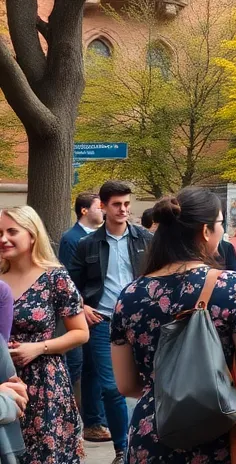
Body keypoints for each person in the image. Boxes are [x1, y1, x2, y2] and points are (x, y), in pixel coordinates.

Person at [110, 190, 236, 463]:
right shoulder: (228, 286)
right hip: (217, 429)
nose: (223, 231)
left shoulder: (129, 295)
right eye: (220, 224)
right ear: (206, 231)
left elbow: (126, 385)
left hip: (153, 431)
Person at [68, 180, 151, 463]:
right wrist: (83, 306)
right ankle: (122, 449)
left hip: (142, 320)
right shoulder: (87, 244)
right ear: (103, 206)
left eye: (127, 204)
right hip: (103, 321)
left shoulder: (144, 239)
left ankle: (146, 445)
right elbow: (72, 285)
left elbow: (160, 274)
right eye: (117, 204)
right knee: (111, 387)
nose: (123, 209)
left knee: (150, 384)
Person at [0, 206, 90, 464]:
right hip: (4, 382)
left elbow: (81, 333)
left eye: (12, 232)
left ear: (32, 235)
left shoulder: (54, 277)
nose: (3, 239)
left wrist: (39, 347)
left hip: (44, 382)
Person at [57, 192, 106, 442]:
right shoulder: (72, 238)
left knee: (93, 368)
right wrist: (82, 305)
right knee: (76, 366)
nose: (103, 211)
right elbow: (69, 280)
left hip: (95, 313)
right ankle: (76, 420)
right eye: (99, 207)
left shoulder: (98, 237)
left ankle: (94, 420)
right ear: (84, 210)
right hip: (77, 314)